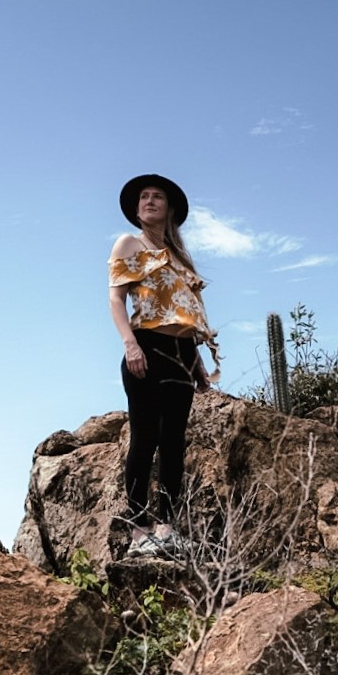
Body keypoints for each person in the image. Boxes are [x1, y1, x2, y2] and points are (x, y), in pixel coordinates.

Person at [108, 174, 220, 557]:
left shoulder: (178, 256)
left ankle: (167, 527)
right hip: (147, 345)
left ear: (169, 208)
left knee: (174, 441)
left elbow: (185, 310)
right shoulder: (129, 243)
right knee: (144, 437)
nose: (150, 201)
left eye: (157, 196)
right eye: (144, 197)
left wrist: (198, 361)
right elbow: (115, 300)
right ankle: (139, 531)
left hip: (183, 352)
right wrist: (130, 344)